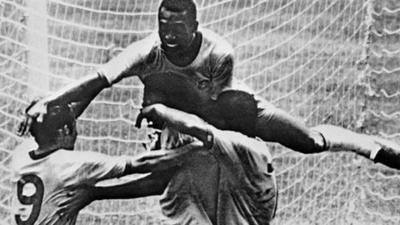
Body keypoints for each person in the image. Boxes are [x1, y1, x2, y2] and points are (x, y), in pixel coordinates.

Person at [17, 0, 400, 169]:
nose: (167, 34)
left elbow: (212, 110)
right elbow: (98, 79)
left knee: (309, 142)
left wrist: (162, 110)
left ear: (195, 28)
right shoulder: (146, 51)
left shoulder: (220, 53)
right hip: (177, 123)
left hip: (227, 111)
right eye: (162, 25)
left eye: (176, 27)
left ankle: (374, 148)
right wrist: (52, 100)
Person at [58, 90, 278, 225]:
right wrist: (97, 193)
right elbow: (160, 181)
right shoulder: (235, 153)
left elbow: (195, 127)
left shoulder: (243, 148)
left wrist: (159, 110)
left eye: (218, 117)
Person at [10, 102, 201, 225]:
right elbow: (142, 163)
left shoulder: (21, 154)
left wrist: (36, 111)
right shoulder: (74, 164)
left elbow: (55, 123)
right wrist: (195, 149)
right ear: (65, 130)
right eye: (74, 128)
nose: (77, 134)